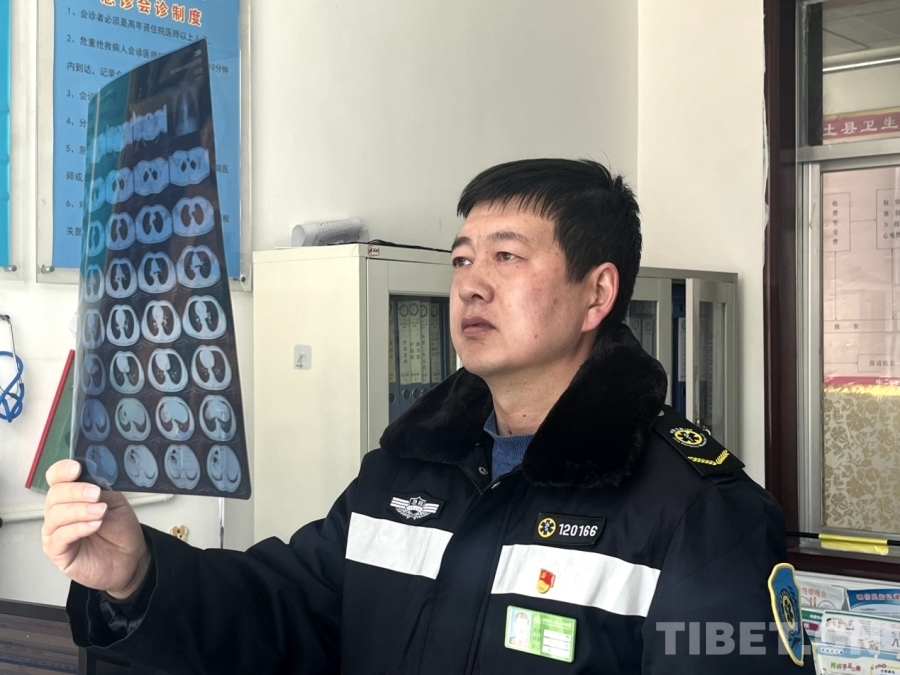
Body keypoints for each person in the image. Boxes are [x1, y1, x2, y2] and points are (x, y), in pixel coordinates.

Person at [43, 158, 814, 673]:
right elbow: (284, 611)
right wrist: (137, 575)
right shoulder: (406, 470)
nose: (471, 284)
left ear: (597, 293)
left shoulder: (696, 509)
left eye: (506, 257)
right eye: (461, 259)